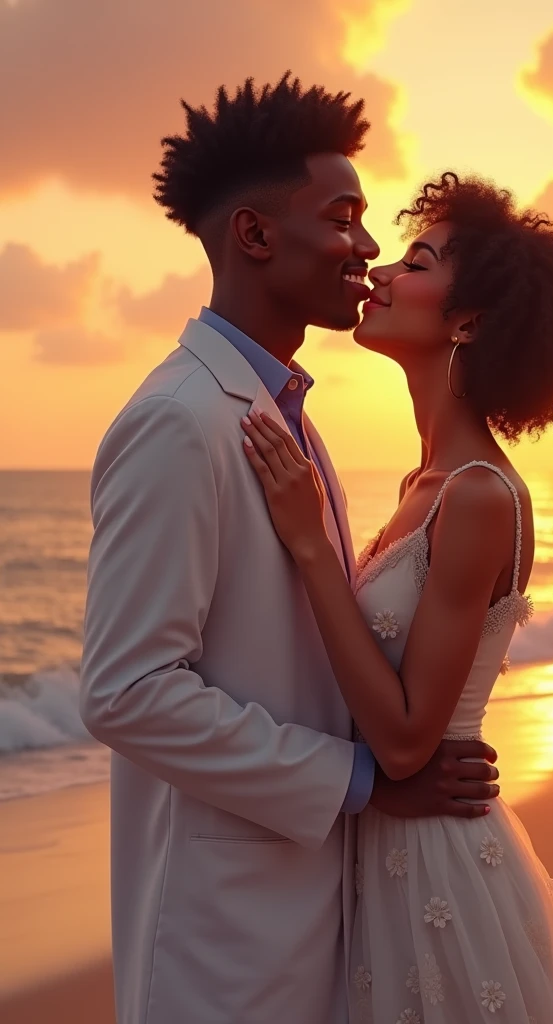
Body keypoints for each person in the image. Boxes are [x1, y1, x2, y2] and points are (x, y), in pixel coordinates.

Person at [79, 76, 502, 1024]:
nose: (367, 246)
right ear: (256, 236)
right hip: (221, 941)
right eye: (343, 214)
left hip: (321, 913)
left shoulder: (287, 420)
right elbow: (126, 688)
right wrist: (361, 782)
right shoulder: (179, 423)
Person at [243, 172, 553, 1022]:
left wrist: (310, 545)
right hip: (384, 856)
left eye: (416, 261)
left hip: (439, 865)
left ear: (470, 320)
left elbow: (409, 740)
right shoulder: (425, 483)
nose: (378, 273)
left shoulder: (480, 494)